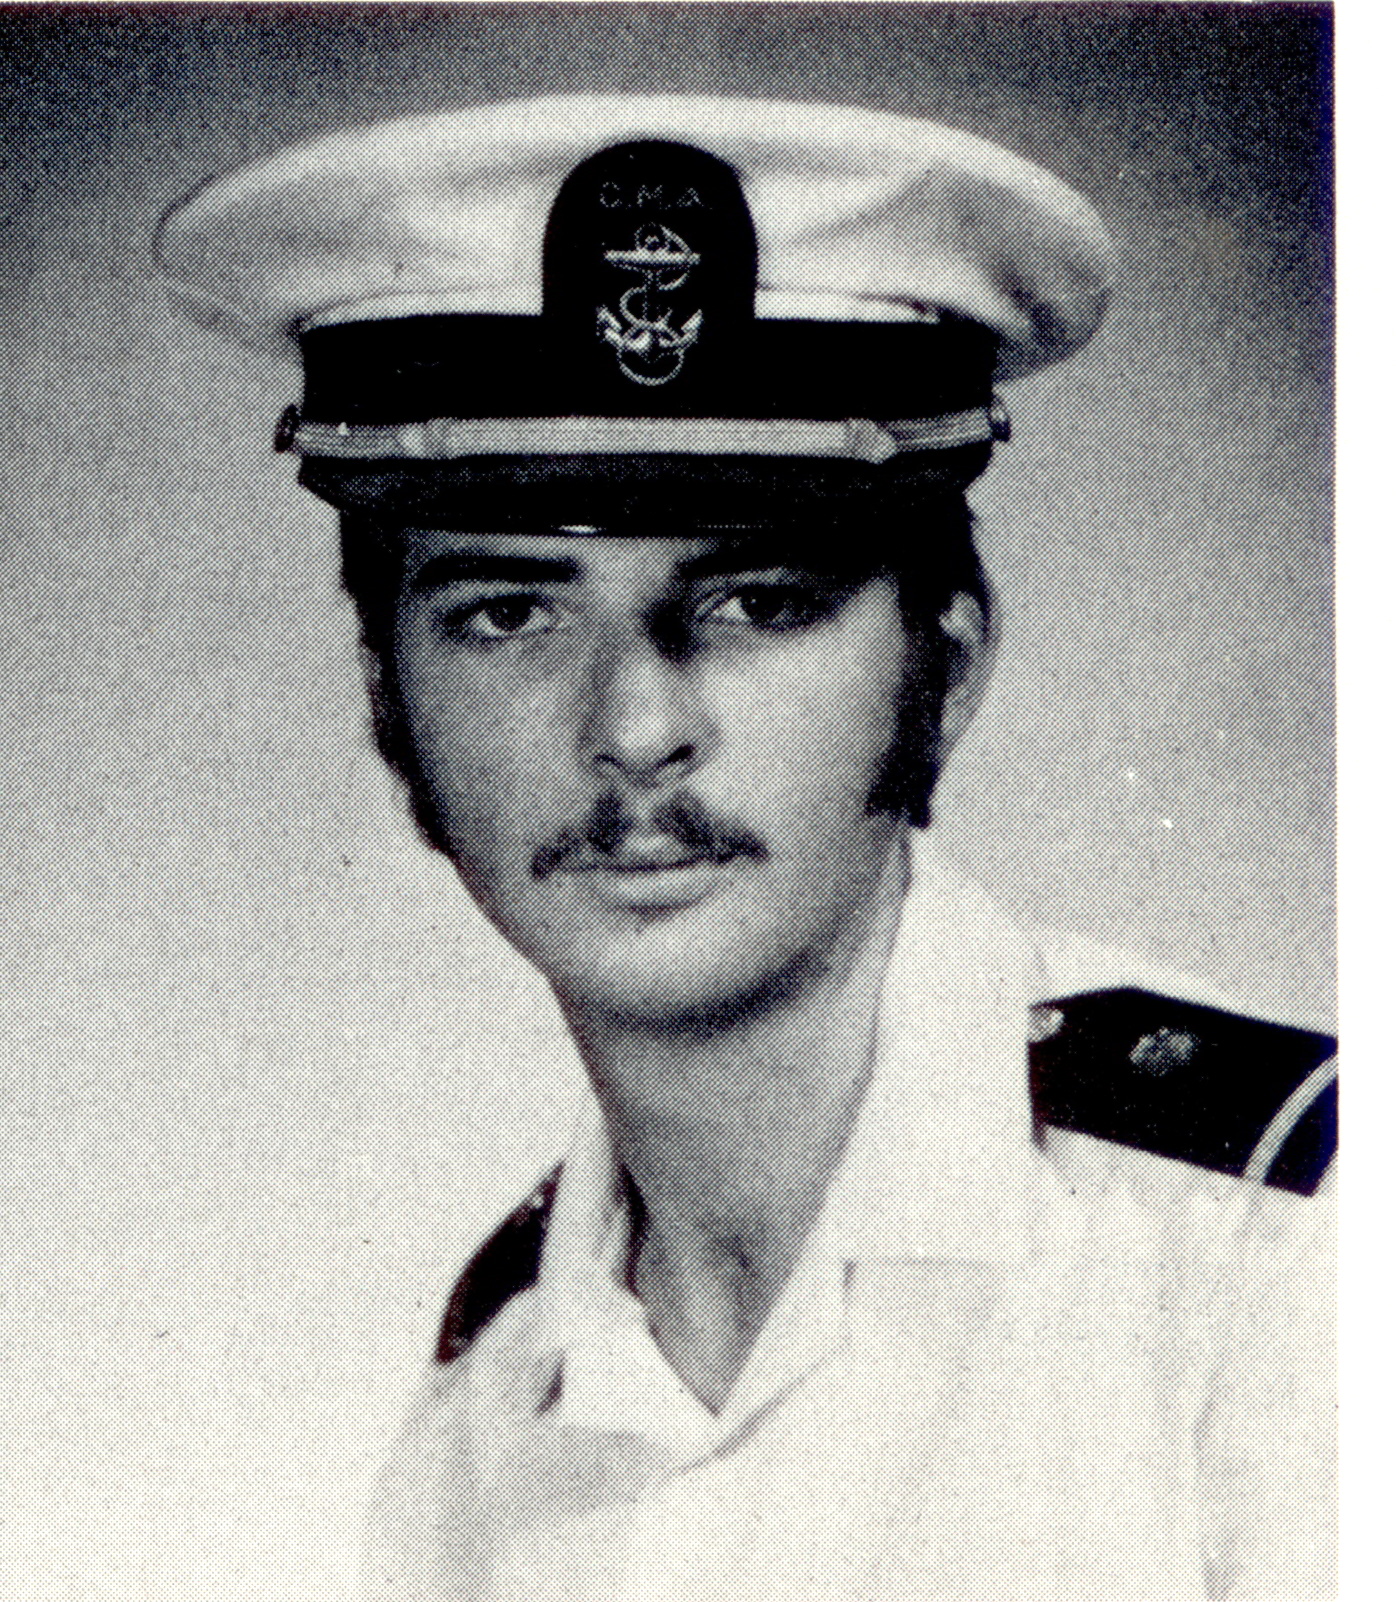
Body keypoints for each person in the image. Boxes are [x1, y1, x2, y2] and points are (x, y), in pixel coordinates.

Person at [157, 95, 1336, 1601]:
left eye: (757, 602)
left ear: (943, 667)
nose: (634, 727)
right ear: (391, 703)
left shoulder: (1279, 1261)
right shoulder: (482, 1421)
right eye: (509, 611)